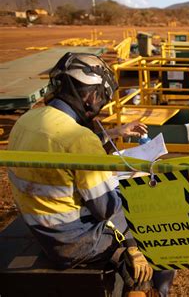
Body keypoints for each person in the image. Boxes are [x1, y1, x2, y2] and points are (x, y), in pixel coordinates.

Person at [7, 52, 175, 296]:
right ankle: (142, 287)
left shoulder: (27, 120)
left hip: (41, 226)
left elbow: (64, 150)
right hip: (73, 242)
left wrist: (116, 131)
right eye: (99, 96)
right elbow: (105, 208)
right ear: (89, 94)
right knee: (151, 231)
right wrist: (133, 183)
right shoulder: (80, 139)